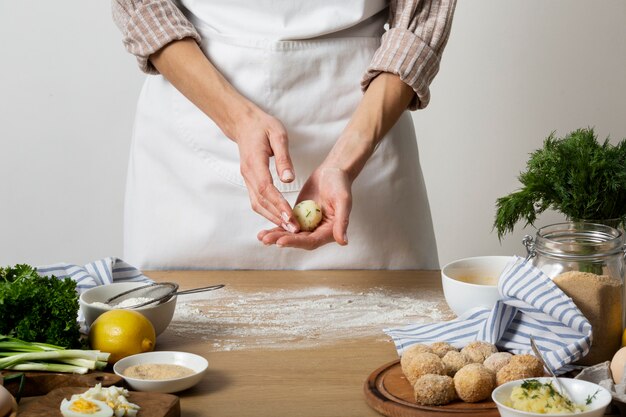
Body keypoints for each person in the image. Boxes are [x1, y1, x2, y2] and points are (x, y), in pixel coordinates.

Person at [112, 0, 456, 269]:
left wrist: (347, 159)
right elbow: (143, 6)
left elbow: (421, 20)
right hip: (195, 112)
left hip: (366, 118)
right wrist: (236, 118)